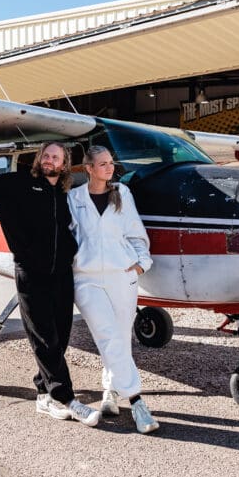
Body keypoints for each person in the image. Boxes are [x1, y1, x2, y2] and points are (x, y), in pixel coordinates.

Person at [0, 143, 101, 427]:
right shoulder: (18, 183)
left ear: (64, 164)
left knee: (60, 335)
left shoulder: (62, 194)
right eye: (46, 155)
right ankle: (66, 399)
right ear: (39, 159)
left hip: (61, 273)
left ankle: (43, 394)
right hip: (31, 273)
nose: (49, 160)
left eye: (55, 157)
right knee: (44, 337)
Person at [67, 145, 159, 434]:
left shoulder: (122, 193)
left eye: (111, 163)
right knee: (107, 334)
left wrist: (142, 262)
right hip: (87, 277)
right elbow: (67, 235)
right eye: (103, 164)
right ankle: (137, 402)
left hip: (122, 276)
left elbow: (135, 231)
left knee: (119, 337)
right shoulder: (74, 198)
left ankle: (109, 392)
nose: (110, 168)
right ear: (89, 168)